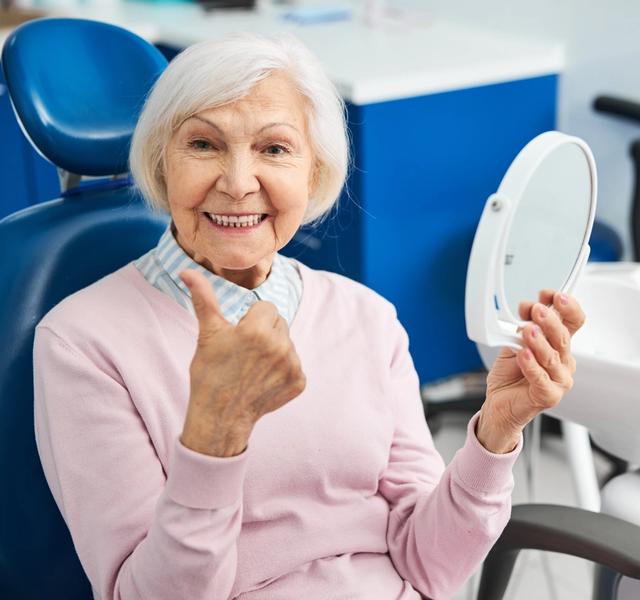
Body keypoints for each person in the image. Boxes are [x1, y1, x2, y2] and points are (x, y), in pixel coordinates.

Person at [33, 32, 585, 600]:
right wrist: (213, 438)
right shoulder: (83, 344)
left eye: (274, 150)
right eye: (203, 144)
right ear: (161, 162)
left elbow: (428, 566)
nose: (239, 182)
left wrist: (495, 434)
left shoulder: (367, 318)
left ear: (314, 174)